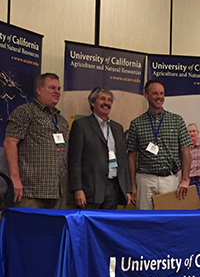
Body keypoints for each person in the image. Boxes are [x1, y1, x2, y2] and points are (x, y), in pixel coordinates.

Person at [4, 73, 69, 209]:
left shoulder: (62, 120)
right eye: (52, 88)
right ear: (39, 90)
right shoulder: (25, 112)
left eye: (59, 89)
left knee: (53, 230)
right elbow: (10, 142)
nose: (57, 92)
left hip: (58, 192)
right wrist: (14, 178)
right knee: (27, 229)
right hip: (31, 191)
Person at [127, 79, 192, 210]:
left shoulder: (177, 121)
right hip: (145, 180)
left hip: (169, 180)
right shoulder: (136, 124)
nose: (159, 97)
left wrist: (185, 179)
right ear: (146, 95)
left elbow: (185, 151)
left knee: (169, 222)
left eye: (162, 93)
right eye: (155, 93)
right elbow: (132, 156)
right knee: (144, 222)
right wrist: (132, 185)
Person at [68, 87, 132, 209]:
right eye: (102, 99)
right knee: (89, 226)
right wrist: (77, 189)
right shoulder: (81, 126)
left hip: (113, 188)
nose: (107, 103)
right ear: (92, 103)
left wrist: (127, 189)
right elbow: (75, 160)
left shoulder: (118, 128)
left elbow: (123, 160)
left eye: (109, 100)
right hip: (90, 190)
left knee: (108, 226)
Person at [188, 123, 200, 199]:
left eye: (193, 131)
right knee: (192, 203)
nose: (192, 133)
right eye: (190, 132)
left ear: (197, 132)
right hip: (190, 180)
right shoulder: (185, 148)